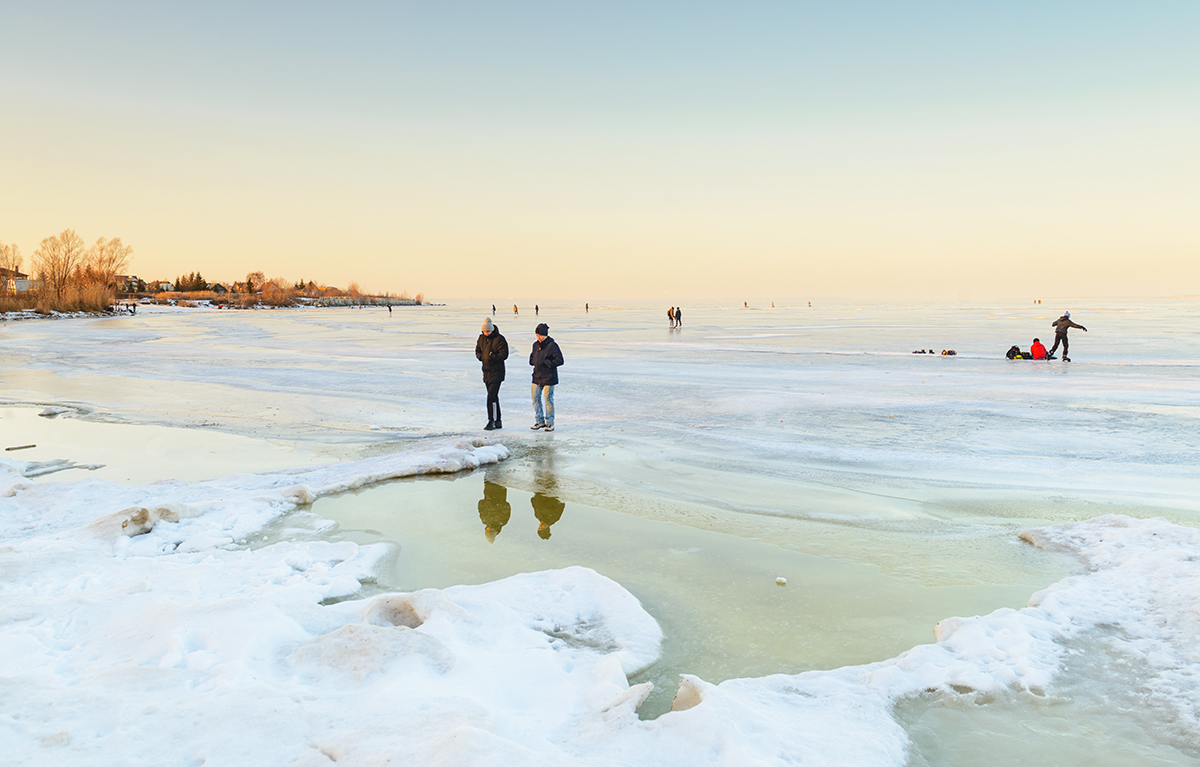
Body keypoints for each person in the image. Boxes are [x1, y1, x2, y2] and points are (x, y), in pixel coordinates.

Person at [476, 318, 509, 430]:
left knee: (491, 396)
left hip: (497, 372)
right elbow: (478, 351)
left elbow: (504, 354)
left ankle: (492, 421)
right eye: (484, 331)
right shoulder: (481, 338)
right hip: (486, 371)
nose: (486, 333)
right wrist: (482, 357)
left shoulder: (499, 339)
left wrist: (491, 357)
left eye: (488, 331)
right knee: (493, 396)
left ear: (492, 330)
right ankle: (498, 420)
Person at [529, 322, 563, 432]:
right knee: (535, 399)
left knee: (548, 400)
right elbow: (533, 357)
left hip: (549, 377)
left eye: (541, 335)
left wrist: (547, 362)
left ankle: (550, 423)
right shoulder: (535, 345)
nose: (538, 337)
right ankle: (540, 421)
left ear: (546, 335)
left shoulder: (552, 345)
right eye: (537, 335)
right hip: (537, 376)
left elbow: (560, 360)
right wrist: (532, 360)